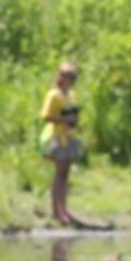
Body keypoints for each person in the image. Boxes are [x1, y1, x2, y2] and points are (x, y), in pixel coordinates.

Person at [38, 61, 87, 227]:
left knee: (65, 174)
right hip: (57, 137)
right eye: (68, 76)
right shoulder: (53, 95)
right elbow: (45, 116)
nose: (72, 80)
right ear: (61, 77)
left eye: (74, 76)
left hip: (70, 136)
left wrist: (75, 119)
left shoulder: (72, 95)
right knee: (59, 174)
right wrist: (65, 119)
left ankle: (63, 209)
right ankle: (57, 211)